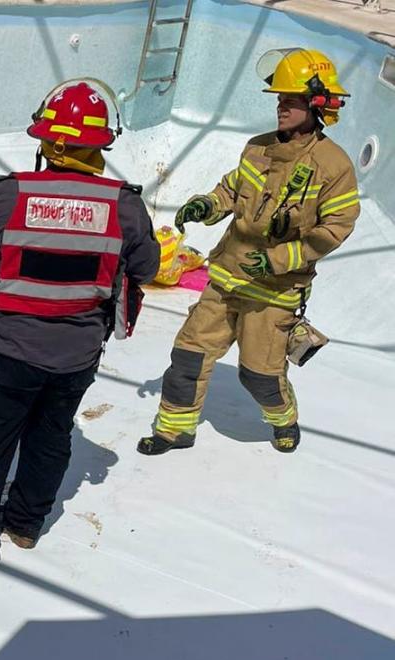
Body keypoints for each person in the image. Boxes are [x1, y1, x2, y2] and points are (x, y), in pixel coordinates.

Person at [0, 79, 161, 564]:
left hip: (10, 350)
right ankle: (25, 525)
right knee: (50, 435)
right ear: (100, 144)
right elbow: (146, 269)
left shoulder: (9, 194)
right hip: (77, 355)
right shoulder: (125, 206)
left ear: (49, 142)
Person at [138, 48, 360, 456]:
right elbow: (233, 189)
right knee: (188, 355)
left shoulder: (334, 166)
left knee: (259, 375)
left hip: (274, 291)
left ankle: (283, 418)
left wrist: (277, 260)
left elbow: (336, 229)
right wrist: (208, 204)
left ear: (317, 105)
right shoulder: (257, 148)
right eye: (279, 99)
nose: (280, 107)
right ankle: (174, 430)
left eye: (290, 101)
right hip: (226, 276)